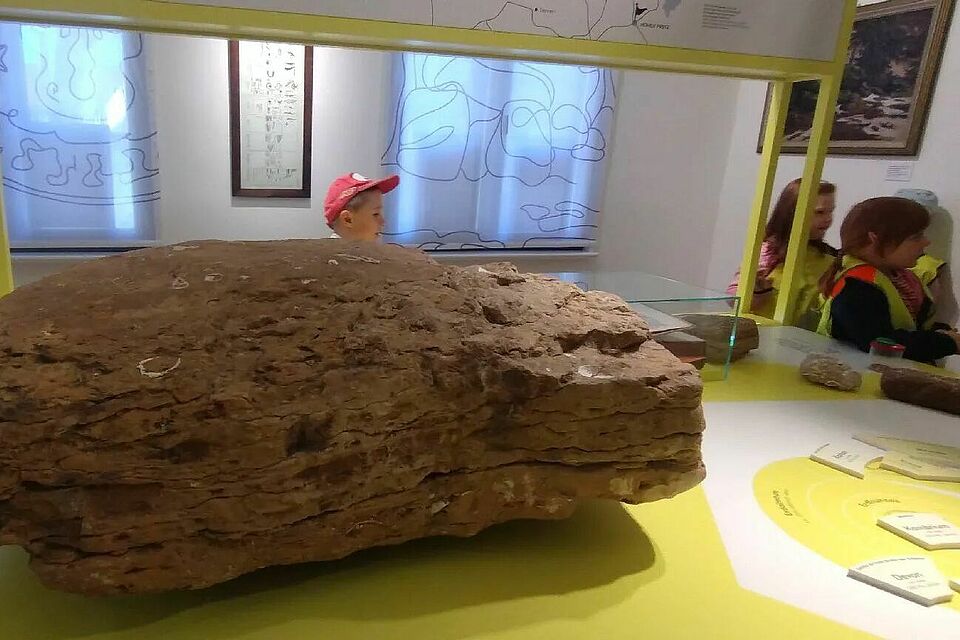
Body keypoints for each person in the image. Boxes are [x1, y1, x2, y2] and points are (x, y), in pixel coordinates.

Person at [817, 197, 960, 363]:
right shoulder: (857, 286)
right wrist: (947, 342)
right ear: (874, 239)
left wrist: (942, 333)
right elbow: (879, 341)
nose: (926, 242)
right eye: (916, 237)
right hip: (850, 371)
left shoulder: (902, 278)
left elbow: (914, 325)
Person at [728, 178, 837, 328]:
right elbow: (733, 298)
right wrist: (757, 293)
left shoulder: (828, 257)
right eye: (819, 212)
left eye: (831, 211)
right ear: (793, 214)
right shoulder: (768, 253)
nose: (828, 219)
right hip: (761, 331)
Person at [323, 172, 400, 241]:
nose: (383, 222)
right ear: (348, 219)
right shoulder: (331, 252)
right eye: (376, 214)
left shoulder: (363, 250)